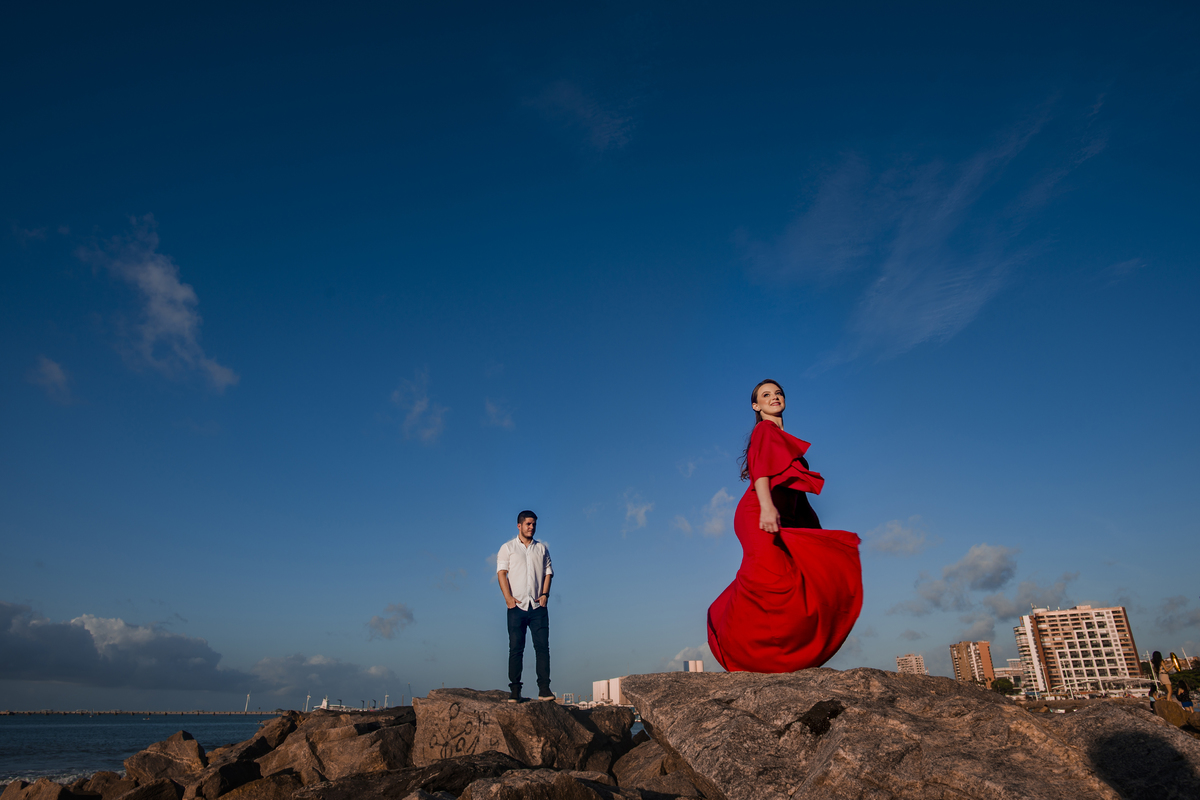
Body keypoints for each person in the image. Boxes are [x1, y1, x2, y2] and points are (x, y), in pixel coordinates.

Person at [707, 379, 863, 672]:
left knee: (795, 581)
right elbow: (761, 470)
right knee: (774, 584)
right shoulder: (764, 429)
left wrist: (813, 532)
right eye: (766, 395)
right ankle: (740, 648)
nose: (774, 397)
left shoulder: (781, 436)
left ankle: (774, 655)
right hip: (759, 513)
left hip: (778, 514)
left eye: (778, 393)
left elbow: (794, 492)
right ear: (756, 406)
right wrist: (767, 508)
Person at [497, 510, 554, 702]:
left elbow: (548, 572)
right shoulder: (507, 548)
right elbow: (501, 574)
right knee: (516, 649)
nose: (532, 527)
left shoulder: (542, 548)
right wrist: (508, 599)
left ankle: (544, 689)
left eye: (534, 524)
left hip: (538, 607)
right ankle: (515, 690)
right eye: (528, 524)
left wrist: (545, 594)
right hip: (517, 606)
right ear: (519, 525)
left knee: (542, 648)